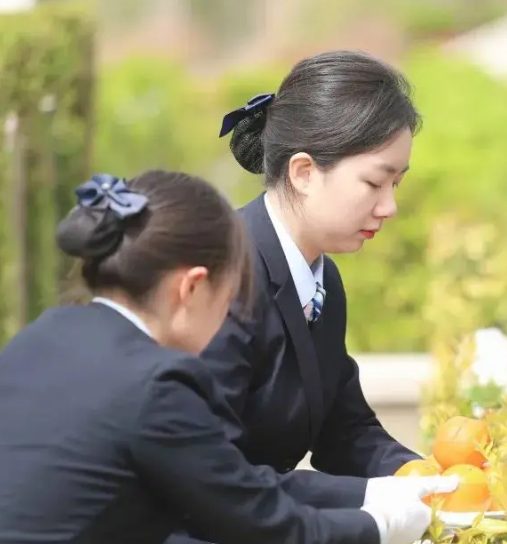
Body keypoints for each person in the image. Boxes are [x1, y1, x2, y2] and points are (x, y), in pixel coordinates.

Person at [0, 170, 456, 544]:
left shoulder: (46, 335)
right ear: (192, 288)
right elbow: (264, 525)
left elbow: (242, 489)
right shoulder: (156, 383)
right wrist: (383, 526)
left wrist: (388, 489)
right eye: (232, 298)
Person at [175, 50, 429, 537]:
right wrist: (375, 501)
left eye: (396, 183)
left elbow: (345, 430)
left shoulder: (321, 279)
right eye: (375, 181)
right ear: (304, 172)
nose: (390, 205)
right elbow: (213, 475)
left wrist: (430, 480)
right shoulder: (221, 279)